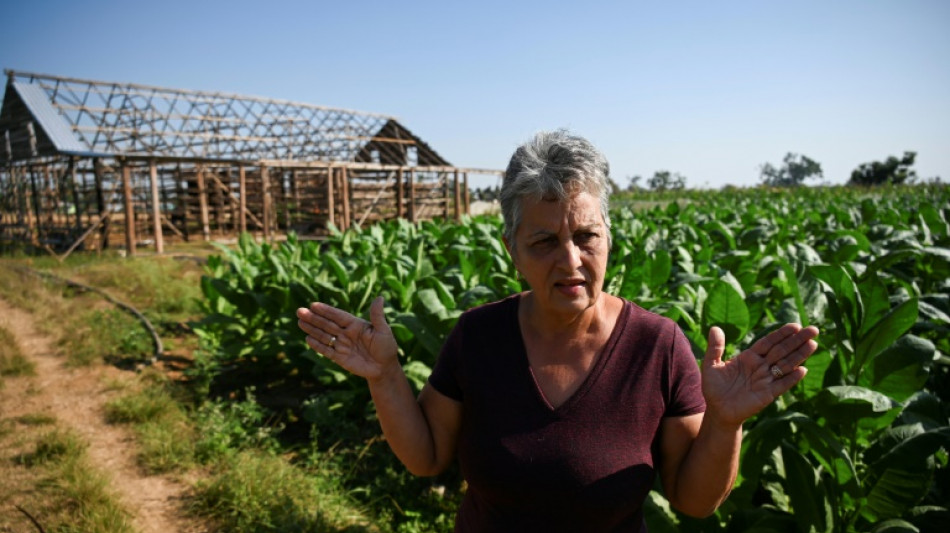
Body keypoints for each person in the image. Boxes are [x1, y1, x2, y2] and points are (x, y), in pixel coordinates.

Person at [296, 129, 819, 532]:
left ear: (609, 237)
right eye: (544, 241)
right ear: (512, 249)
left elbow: (695, 501)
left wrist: (724, 423)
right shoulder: (478, 337)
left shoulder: (657, 346)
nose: (571, 260)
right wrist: (386, 376)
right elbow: (426, 456)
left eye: (586, 236)